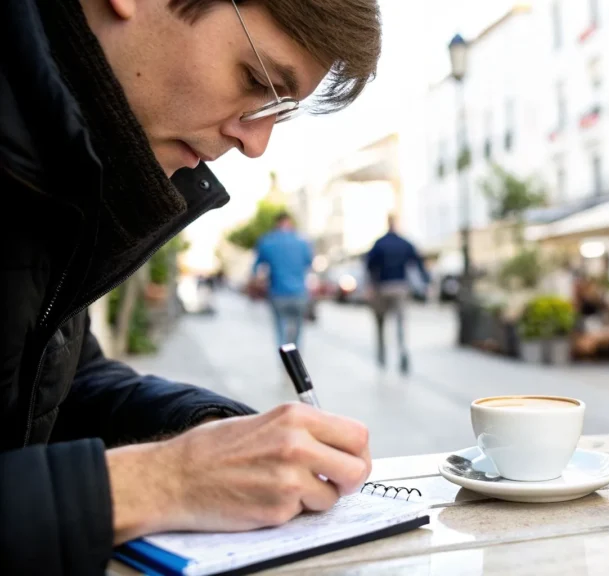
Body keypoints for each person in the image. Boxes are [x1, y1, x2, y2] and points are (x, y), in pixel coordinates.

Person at [0, 0, 381, 573]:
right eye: (256, 81)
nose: (256, 144)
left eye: (279, 112)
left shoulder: (59, 161)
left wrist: (211, 431)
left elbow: (60, 382)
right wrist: (162, 481)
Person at [364, 215, 430, 373]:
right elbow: (418, 261)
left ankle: (381, 355)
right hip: (400, 287)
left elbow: (369, 264)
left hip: (383, 287)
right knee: (400, 323)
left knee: (380, 322)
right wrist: (426, 281)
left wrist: (370, 285)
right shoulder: (404, 243)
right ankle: (402, 353)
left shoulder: (379, 243)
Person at [253, 212, 314, 349]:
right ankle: (295, 356)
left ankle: (284, 357)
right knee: (298, 329)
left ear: (276, 224)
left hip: (277, 292)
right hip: (299, 293)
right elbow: (309, 264)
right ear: (290, 223)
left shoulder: (267, 241)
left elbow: (257, 267)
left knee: (280, 328)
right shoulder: (302, 242)